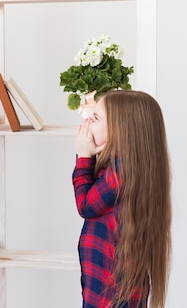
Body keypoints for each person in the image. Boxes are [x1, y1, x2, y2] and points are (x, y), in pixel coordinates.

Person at [73, 90, 171, 308]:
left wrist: (83, 157)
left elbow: (86, 206)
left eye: (96, 117)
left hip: (109, 297)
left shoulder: (121, 172)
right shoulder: (130, 166)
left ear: (122, 130)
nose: (87, 120)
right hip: (108, 291)